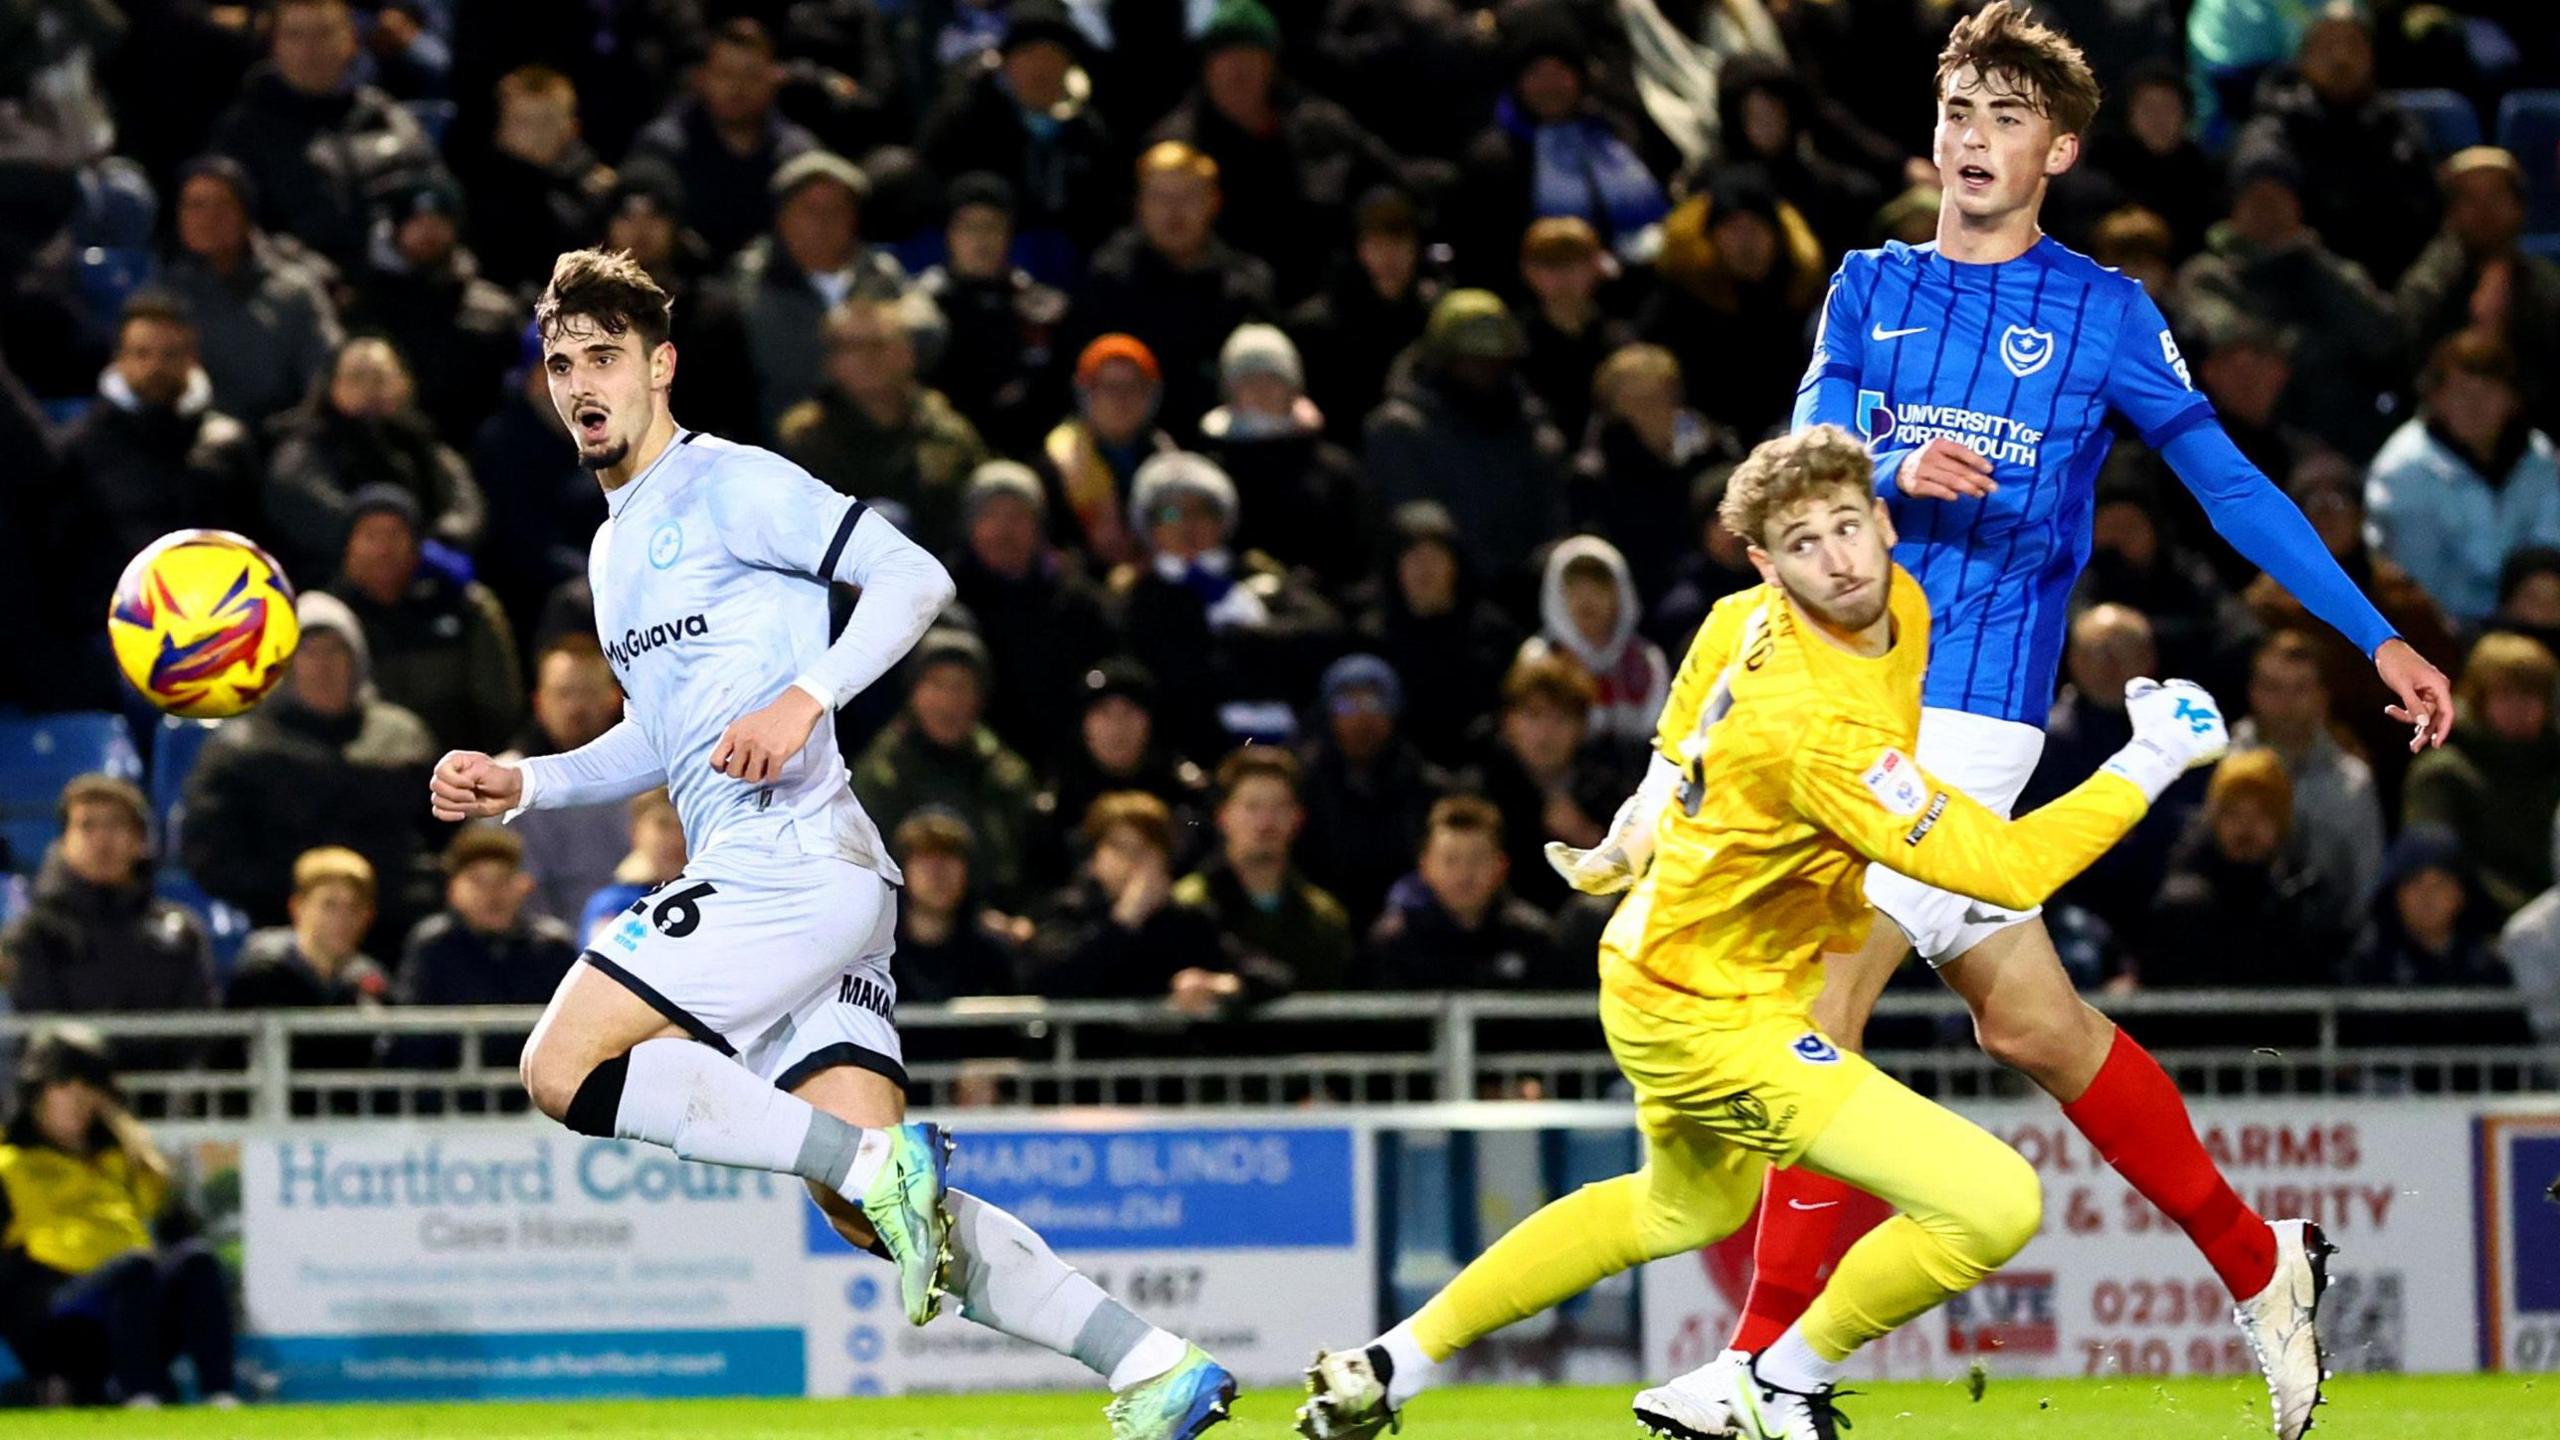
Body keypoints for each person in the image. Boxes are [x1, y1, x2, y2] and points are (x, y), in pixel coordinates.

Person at [1548, 13, 2455, 1435]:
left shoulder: (2099, 313)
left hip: (1968, 711)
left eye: (2005, 116)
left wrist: (2375, 632)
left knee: (1813, 1014)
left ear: (2060, 149)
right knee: (2035, 1030)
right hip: (1839, 702)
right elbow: (1792, 486)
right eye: (1959, 108)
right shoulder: (1865, 285)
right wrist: (1895, 472)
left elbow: (2225, 483)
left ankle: (1764, 1367)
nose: (1973, 136)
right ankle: (2258, 1258)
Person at [425, 251, 1236, 1431]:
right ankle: (1150, 1362)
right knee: (867, 1207)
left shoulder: (730, 483)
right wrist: (528, 781)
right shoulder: (611, 551)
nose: (580, 384)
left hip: (785, 859)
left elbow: (914, 578)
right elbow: (666, 733)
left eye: (604, 358)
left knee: (561, 1067)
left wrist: (805, 697)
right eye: (561, 364)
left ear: (660, 366)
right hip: (821, 878)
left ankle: (874, 1167)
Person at [1301, 425, 2229, 1440]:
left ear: (1884, 522)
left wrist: (1646, 812)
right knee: (1994, 1204)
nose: (1834, 559)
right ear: (1767, 566)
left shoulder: (1842, 611)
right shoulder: (1814, 727)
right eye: (1800, 545)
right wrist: (2151, 760)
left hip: (1665, 967)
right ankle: (1773, 1383)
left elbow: (1698, 673)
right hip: (1712, 1009)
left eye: (1845, 527)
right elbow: (2004, 868)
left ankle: (1391, 1363)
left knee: (1679, 1210)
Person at [183, 591, 441, 947]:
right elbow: (212, 855)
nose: (324, 665)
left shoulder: (402, 739)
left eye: (337, 650)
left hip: (396, 925)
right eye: (309, 651)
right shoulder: (241, 749)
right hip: (278, 927)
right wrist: (301, 900)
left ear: (359, 662)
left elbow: (443, 836)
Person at [0, 1027, 237, 1407]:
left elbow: (176, 1227)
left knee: (196, 1259)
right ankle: (143, 1395)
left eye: (89, 1091)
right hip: (57, 1317)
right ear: (37, 1093)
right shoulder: (9, 1162)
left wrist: (144, 1157)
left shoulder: (123, 1161)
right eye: (66, 1090)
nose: (80, 1103)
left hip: (135, 1304)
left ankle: (220, 1395)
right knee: (133, 1268)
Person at [52, 293, 262, 668]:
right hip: (115, 637)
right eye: (142, 354)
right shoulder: (81, 448)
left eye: (169, 354)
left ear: (191, 359)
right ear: (120, 360)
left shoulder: (228, 442)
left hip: (220, 632)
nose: (156, 367)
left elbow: (255, 542)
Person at [1110, 450, 1342, 759]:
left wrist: (1250, 637)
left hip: (1290, 739)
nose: (1187, 525)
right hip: (1196, 748)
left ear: (1223, 519)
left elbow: (1325, 631)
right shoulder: (1142, 597)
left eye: (1201, 512)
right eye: (1170, 514)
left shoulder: (1257, 575)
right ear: (1150, 527)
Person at [1364, 289, 1569, 600]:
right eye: (1469, 361)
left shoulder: (1534, 433)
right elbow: (1413, 535)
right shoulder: (1399, 430)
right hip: (1440, 607)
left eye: (1493, 362)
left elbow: (1553, 527)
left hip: (1524, 600)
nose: (1483, 373)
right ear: (1440, 361)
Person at [1065, 142, 1276, 437]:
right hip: (1131, 440)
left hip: (1224, 438)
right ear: (1140, 204)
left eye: (1188, 196)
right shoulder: (1109, 278)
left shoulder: (1246, 283)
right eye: (1160, 197)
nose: (1173, 210)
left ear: (1214, 201)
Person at [208, 0, 444, 264]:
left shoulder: (389, 119)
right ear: (274, 45)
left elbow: (439, 204)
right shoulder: (241, 134)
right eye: (296, 35)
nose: (310, 51)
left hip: (396, 283)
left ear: (352, 41)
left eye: (325, 34)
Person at [2364, 332, 2560, 627]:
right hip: (2435, 632)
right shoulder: (2403, 468)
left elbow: (2548, 551)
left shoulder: (2540, 457)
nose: (2475, 406)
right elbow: (2415, 580)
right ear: (2436, 398)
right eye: (2461, 393)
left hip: (2526, 626)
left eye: (2489, 392)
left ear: (2512, 399)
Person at [1034, 791, 1288, 1012]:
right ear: (1095, 857)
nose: (1130, 862)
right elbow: (1052, 980)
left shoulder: (1184, 921)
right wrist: (1123, 921)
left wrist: (1221, 985)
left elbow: (1271, 973)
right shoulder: (1067, 912)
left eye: (1143, 849)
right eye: (1119, 847)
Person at [916, 0, 1123, 271]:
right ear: (1005, 63)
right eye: (1027, 53)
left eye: (1052, 55)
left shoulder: (1086, 131)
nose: (1040, 68)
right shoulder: (963, 120)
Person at [262, 336, 486, 585]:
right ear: (332, 386)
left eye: (380, 378)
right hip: (331, 580)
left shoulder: (420, 442)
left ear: (404, 384)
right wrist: (391, 544)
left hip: (421, 576)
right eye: (357, 378)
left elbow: (464, 502)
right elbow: (307, 505)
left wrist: (440, 541)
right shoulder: (305, 446)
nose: (370, 389)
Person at [779, 295, 991, 556]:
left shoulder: (948, 432)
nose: (868, 357)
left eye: (880, 343)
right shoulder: (806, 438)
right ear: (830, 362)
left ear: (908, 353)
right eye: (852, 346)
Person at [851, 629, 1042, 910]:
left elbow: (1025, 868)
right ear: (913, 693)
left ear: (981, 697)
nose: (948, 701)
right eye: (936, 685)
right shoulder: (880, 775)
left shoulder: (1007, 777)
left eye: (961, 686)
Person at [945, 462, 1120, 770]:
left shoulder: (1078, 603)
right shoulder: (943, 602)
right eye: (990, 515)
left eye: (1017, 516)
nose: (1004, 530)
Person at [731, 151, 921, 434]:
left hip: (884, 436)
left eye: (837, 209)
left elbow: (927, 333)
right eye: (810, 209)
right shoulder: (752, 281)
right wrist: (871, 349)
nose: (824, 221)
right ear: (783, 217)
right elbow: (774, 357)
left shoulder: (882, 273)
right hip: (784, 442)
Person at [328, 485, 525, 752]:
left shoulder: (465, 607)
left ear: (418, 546)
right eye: (371, 536)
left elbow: (498, 706)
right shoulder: (329, 619)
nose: (383, 549)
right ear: (348, 547)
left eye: (395, 535)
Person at [5, 777, 214, 1022]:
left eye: (116, 824)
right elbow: (38, 1034)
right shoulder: (34, 935)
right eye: (87, 825)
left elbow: (198, 1032)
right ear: (63, 843)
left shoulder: (182, 935)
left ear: (141, 842)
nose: (102, 839)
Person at [157, 156, 343, 431]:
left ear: (246, 212)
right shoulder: (163, 296)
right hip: (191, 439)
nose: (208, 218)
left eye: (222, 206)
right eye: (195, 206)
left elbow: (324, 375)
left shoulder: (296, 291)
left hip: (284, 438)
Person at [342, 173, 523, 445]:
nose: (428, 233)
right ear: (395, 229)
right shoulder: (365, 309)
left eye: (439, 222)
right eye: (417, 223)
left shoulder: (495, 310)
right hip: (397, 447)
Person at [2130, 750, 2334, 991]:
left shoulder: (2302, 901)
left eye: (2261, 814)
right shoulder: (2182, 907)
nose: (2246, 828)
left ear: (2281, 823)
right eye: (2233, 813)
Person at [2396, 147, 2560, 436]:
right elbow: (2419, 378)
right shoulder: (2427, 286)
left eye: (2497, 196)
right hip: (2445, 442)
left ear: (2520, 208)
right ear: (2450, 214)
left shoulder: (2545, 283)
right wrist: (2481, 331)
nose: (2485, 210)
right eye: (2470, 199)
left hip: (2539, 441)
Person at [625, 19, 821, 260]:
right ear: (702, 78)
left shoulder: (797, 155)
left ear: (774, 78)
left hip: (774, 285)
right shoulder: (662, 148)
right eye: (725, 74)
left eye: (751, 75)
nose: (737, 87)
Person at [1351, 502, 1522, 770]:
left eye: (1434, 557)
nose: (1424, 569)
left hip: (1486, 769)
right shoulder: (1370, 639)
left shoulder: (1492, 634)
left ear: (1455, 564)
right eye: (1413, 558)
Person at [2404, 634, 2560, 923]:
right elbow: (2435, 869)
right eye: (2506, 695)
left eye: (2532, 695)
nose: (2520, 708)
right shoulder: (2443, 775)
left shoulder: (2553, 771)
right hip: (2474, 931)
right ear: (2477, 699)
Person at [1195, 323, 1366, 588]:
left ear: (1293, 388)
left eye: (1272, 378)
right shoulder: (1208, 469)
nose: (1261, 390)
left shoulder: (1335, 469)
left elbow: (1358, 553)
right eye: (1248, 380)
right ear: (1229, 391)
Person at [1175, 748, 1356, 994]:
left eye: (1279, 807)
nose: (1266, 822)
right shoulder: (1184, 905)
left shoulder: (1325, 917)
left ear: (1298, 818)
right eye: (1252, 807)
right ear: (1223, 816)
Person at [915, 174, 1071, 458]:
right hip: (946, 451)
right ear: (950, 234)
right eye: (970, 227)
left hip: (1029, 452)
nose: (981, 239)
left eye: (992, 227)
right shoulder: (921, 307)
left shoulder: (1043, 308)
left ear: (1009, 234)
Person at [2231, 630, 2386, 915]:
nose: (2286, 702)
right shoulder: (2222, 767)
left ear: (2322, 697)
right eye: (2273, 687)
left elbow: (2367, 883)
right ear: (2253, 692)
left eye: (2300, 688)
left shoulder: (2353, 783)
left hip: (2326, 942)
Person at [1572, 344, 1737, 609]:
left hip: (1711, 586)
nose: (1650, 409)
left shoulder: (1711, 450)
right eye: (1635, 400)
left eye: (1658, 395)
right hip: (1637, 596)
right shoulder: (1596, 473)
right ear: (1614, 408)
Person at [1295, 654, 1454, 927]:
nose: (1361, 718)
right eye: (1346, 704)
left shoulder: (1428, 788)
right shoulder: (1302, 783)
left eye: (1373, 702)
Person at [1287, 187, 1441, 451]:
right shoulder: (1317, 324)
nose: (1389, 256)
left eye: (1400, 242)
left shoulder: (1435, 316)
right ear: (1359, 248)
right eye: (1377, 243)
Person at [1361, 793, 1566, 991]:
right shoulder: (1395, 943)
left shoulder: (1533, 938)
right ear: (1425, 867)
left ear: (1500, 866)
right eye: (1450, 860)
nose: (1464, 874)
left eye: (1477, 859)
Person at [223, 846, 392, 1075]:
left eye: (354, 907)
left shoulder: (372, 984)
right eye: (329, 905)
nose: (343, 919)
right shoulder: (261, 976)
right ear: (298, 907)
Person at [1473, 654, 1617, 916]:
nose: (1546, 732)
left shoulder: (1610, 792)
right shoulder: (1481, 794)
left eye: (1561, 719)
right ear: (1508, 723)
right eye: (1533, 715)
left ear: (1582, 728)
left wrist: (1587, 838)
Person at [503, 637, 632, 927]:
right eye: (563, 693)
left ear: (614, 699)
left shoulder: (652, 781)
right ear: (539, 702)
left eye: (588, 693)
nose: (576, 708)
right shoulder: (505, 782)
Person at [460, 64, 614, 296]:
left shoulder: (596, 191)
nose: (533, 137)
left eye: (545, 123)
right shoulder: (477, 189)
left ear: (572, 129)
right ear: (500, 129)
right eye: (522, 123)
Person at [1516, 536, 1669, 756]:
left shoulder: (1647, 660)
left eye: (1599, 586)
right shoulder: (1538, 657)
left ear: (1622, 594)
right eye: (1574, 587)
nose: (1586, 598)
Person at [1044, 334, 1181, 567]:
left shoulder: (1167, 459)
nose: (1121, 399)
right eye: (1109, 387)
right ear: (1086, 394)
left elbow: (1174, 514)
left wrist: (1164, 528)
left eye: (1133, 387)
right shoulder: (1053, 464)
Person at [1512, 217, 1633, 447]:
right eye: (1550, 265)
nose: (1563, 276)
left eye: (1574, 263)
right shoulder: (1515, 341)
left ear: (1596, 266)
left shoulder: (1620, 341)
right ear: (1528, 271)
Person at [888, 812, 1023, 1003]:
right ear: (903, 869)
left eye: (948, 858)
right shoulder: (871, 957)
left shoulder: (991, 956)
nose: (938, 872)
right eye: (925, 858)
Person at [577, 790, 688, 948]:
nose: (675, 837)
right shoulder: (616, 904)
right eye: (663, 824)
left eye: (682, 824)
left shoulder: (718, 895)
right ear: (635, 832)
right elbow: (604, 964)